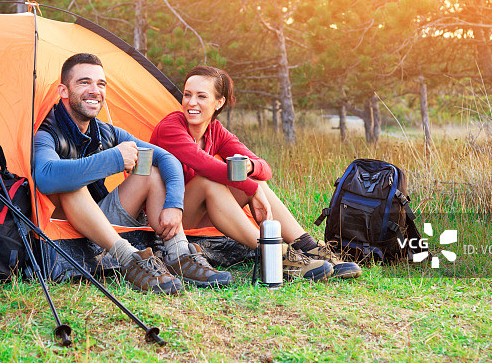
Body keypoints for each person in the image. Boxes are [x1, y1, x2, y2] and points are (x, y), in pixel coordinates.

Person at [33, 54, 231, 294]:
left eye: (101, 84)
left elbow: (167, 158)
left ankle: (179, 254)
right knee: (70, 182)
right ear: (63, 91)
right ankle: (130, 260)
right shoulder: (46, 132)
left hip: (101, 217)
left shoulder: (107, 132)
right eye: (84, 83)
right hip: (63, 226)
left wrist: (174, 204)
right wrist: (115, 159)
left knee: (152, 172)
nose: (94, 91)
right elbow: (45, 176)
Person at [150, 66, 362, 281]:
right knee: (209, 181)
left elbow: (264, 168)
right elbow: (207, 166)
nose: (191, 102)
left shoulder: (216, 131)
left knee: (255, 179)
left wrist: (250, 169)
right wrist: (251, 189)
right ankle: (280, 255)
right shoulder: (171, 126)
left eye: (201, 96)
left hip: (196, 216)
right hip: (166, 218)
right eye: (187, 95)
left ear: (219, 102)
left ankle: (308, 247)